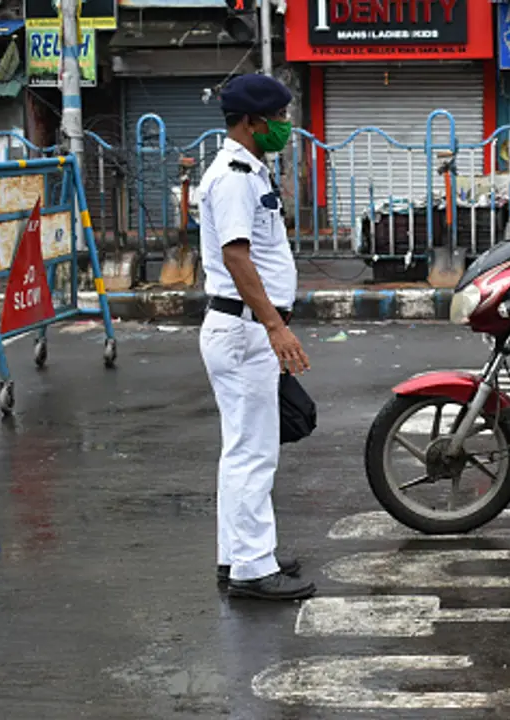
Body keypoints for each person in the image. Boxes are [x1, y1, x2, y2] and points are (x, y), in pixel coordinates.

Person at [198, 73, 316, 600]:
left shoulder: (252, 171)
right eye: (279, 118)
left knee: (243, 449)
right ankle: (251, 569)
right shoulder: (233, 175)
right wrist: (275, 325)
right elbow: (235, 255)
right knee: (253, 453)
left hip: (244, 328)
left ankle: (241, 555)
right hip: (245, 330)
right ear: (252, 122)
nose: (286, 127)